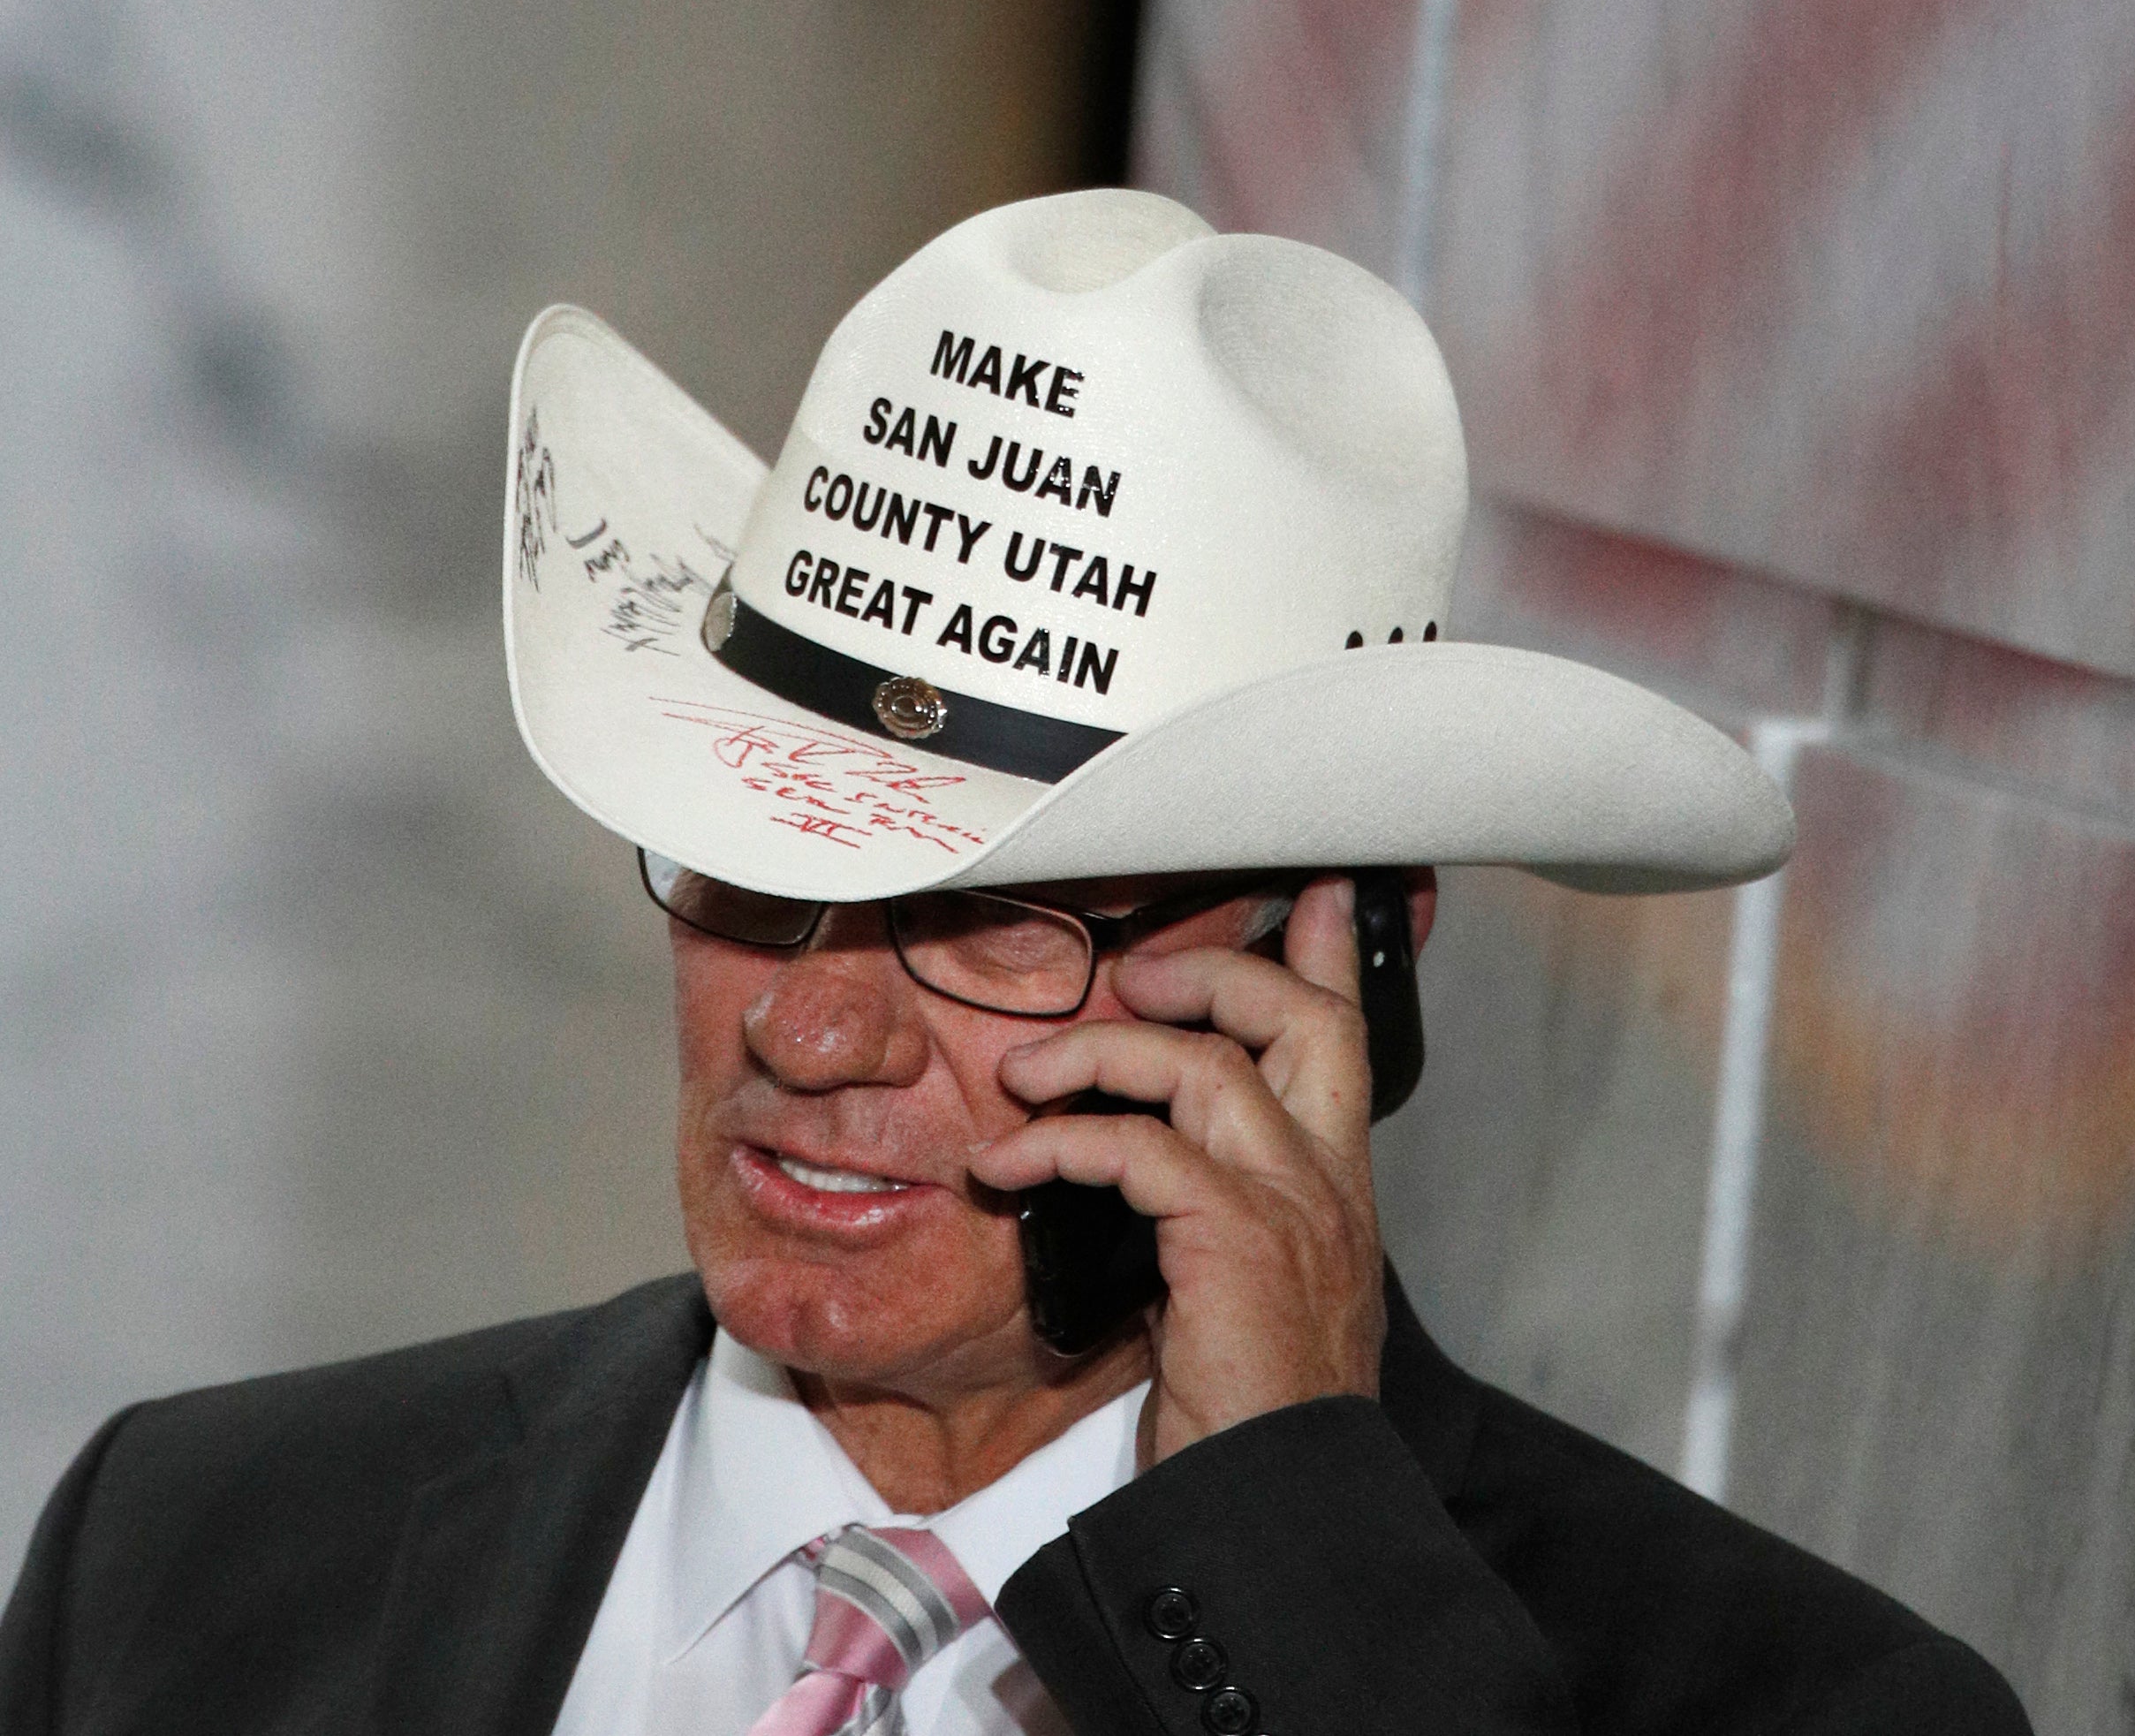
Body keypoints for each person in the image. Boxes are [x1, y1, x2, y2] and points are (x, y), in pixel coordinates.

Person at [0, 191, 2028, 1735]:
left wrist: (1296, 1574)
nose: (803, 1024)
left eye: (996, 921)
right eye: (743, 862)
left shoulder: (1800, 1703)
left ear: (1348, 969)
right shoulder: (193, 1562)